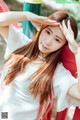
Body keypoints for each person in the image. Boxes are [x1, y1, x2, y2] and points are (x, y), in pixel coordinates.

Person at [0, 10, 80, 120]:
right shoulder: (22, 44)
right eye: (48, 32)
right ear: (42, 28)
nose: (48, 42)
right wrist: (26, 15)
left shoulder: (56, 73)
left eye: (57, 39)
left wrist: (76, 51)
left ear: (63, 46)